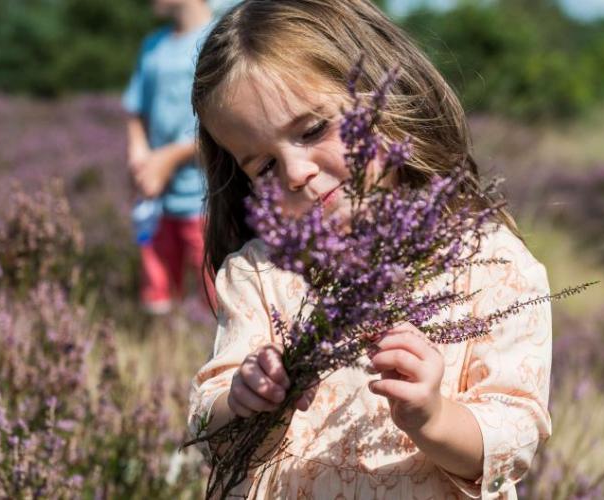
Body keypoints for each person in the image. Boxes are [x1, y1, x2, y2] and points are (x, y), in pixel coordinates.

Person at [188, 1, 551, 498]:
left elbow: (516, 435)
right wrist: (241, 399)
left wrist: (434, 417)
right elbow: (213, 430)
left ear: (386, 97)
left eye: (313, 129)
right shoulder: (261, 273)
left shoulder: (490, 264)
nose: (296, 172)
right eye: (264, 166)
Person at [123, 0, 215, 315]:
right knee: (157, 289)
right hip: (157, 198)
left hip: (206, 197)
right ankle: (164, 352)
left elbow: (222, 125)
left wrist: (170, 158)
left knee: (215, 292)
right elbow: (136, 110)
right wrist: (139, 153)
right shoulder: (153, 46)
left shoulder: (221, 37)